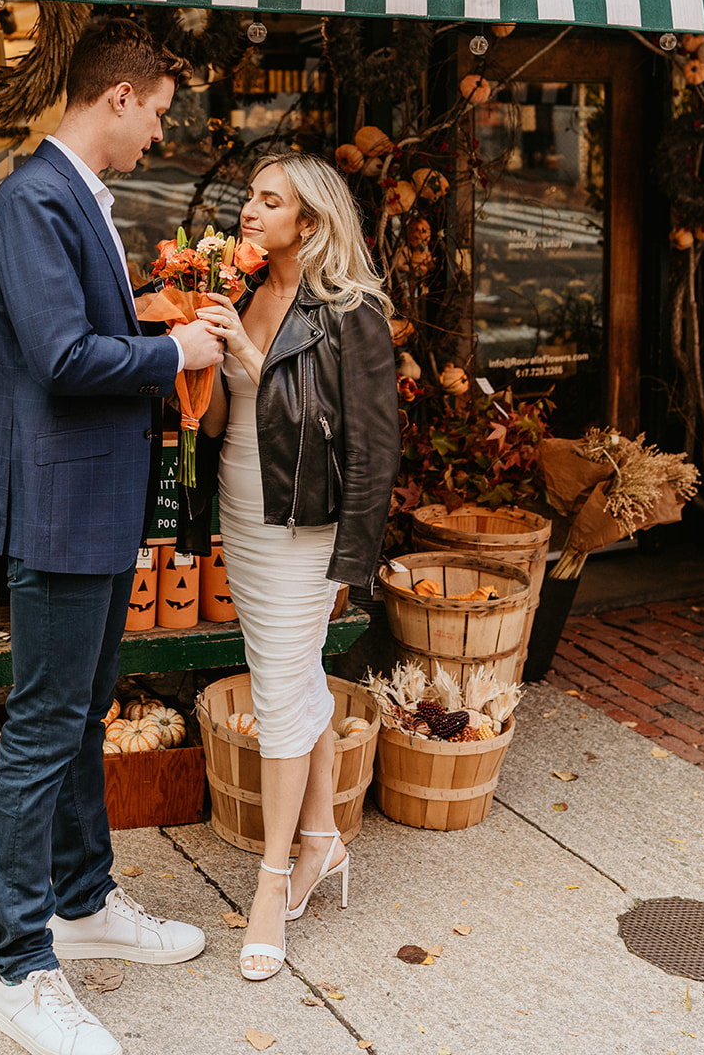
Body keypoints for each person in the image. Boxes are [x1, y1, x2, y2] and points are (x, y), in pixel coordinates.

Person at [0, 20, 224, 1055]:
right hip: (59, 505)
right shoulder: (34, 197)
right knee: (42, 728)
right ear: (117, 96)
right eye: (158, 110)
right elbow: (66, 355)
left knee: (80, 716)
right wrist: (174, 349)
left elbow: (84, 333)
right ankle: (17, 967)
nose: (158, 132)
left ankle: (82, 906)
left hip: (91, 499)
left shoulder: (68, 194)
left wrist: (155, 316)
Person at [200, 152, 399, 983]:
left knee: (281, 694)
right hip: (242, 519)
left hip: (304, 532)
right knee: (289, 679)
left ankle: (272, 882)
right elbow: (216, 424)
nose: (249, 210)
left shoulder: (351, 314)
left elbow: (372, 449)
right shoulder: (249, 295)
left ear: (309, 223)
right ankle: (321, 839)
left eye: (268, 200)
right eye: (249, 196)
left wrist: (351, 560)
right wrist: (199, 352)